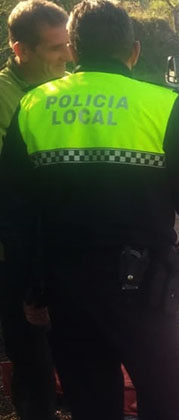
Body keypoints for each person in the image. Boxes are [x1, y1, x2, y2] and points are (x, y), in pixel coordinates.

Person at [0, 1, 179, 418]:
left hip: (66, 289)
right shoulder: (159, 104)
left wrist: (31, 287)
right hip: (145, 290)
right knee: (168, 400)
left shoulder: (33, 105)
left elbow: (16, 211)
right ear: (134, 51)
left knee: (91, 403)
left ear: (74, 50)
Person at [0, 1, 71, 418]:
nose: (65, 57)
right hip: (17, 254)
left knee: (70, 341)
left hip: (62, 245)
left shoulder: (61, 89)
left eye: (68, 45)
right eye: (53, 49)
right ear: (19, 49)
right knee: (32, 354)